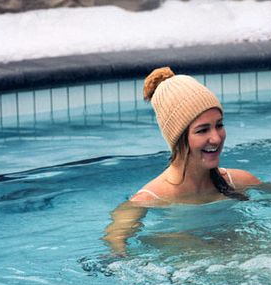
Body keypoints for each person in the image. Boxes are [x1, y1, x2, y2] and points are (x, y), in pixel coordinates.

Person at [102, 66, 261, 253]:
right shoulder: (148, 200)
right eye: (202, 130)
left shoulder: (241, 182)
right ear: (177, 139)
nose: (216, 138)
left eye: (219, 125)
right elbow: (115, 245)